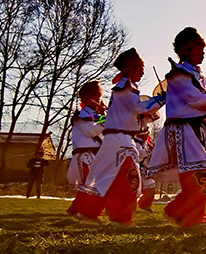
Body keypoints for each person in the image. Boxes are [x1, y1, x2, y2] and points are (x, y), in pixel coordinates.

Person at [145, 28, 206, 227]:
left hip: (199, 131)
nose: (203, 51)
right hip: (184, 130)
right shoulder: (178, 75)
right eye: (199, 47)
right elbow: (194, 99)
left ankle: (176, 211)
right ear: (185, 50)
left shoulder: (202, 78)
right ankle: (193, 219)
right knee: (199, 176)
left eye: (203, 47)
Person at [68, 48, 165, 226]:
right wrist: (161, 99)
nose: (143, 71)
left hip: (117, 140)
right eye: (140, 66)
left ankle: (88, 211)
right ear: (130, 68)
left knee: (106, 177)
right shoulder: (125, 89)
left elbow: (135, 116)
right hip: (120, 140)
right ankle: (120, 218)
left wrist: (150, 110)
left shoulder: (125, 89)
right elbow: (139, 109)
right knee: (128, 177)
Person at [66, 81, 106, 192]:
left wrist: (104, 115)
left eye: (100, 95)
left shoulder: (95, 115)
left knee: (96, 186)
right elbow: (91, 131)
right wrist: (106, 121)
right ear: (87, 97)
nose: (99, 98)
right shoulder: (81, 115)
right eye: (96, 95)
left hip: (97, 156)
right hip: (85, 156)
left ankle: (80, 208)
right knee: (89, 187)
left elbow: (100, 122)